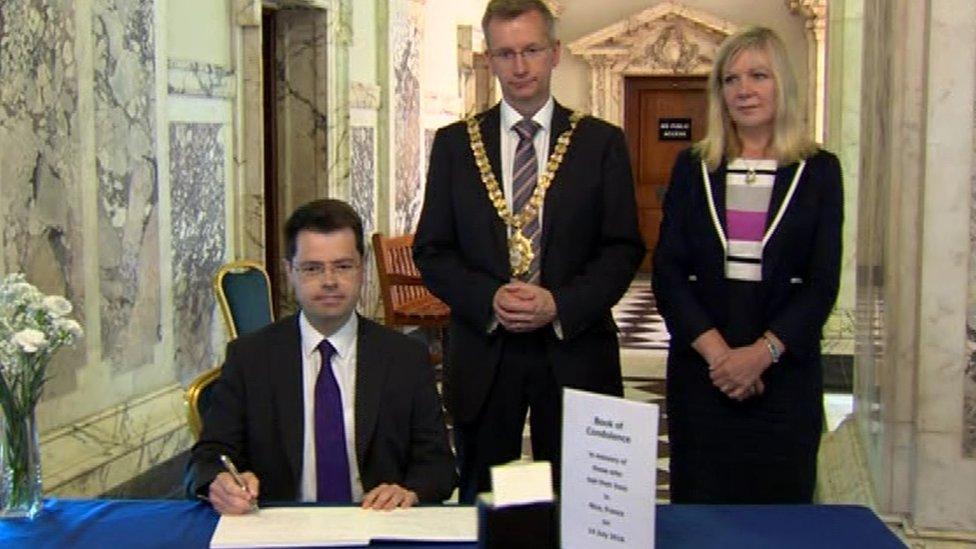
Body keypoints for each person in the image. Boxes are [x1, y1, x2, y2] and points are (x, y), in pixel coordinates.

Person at [413, 0, 644, 502]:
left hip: (575, 347)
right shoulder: (455, 146)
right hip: (484, 351)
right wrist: (488, 297)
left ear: (555, 53)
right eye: (506, 53)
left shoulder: (600, 143)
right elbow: (432, 250)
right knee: (482, 496)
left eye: (532, 50)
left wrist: (560, 304)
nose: (520, 67)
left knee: (582, 500)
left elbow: (622, 248)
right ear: (491, 59)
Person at [652, 26, 843, 503]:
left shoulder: (819, 170)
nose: (744, 90)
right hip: (703, 377)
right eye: (730, 79)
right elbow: (669, 274)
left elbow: (821, 284)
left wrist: (762, 353)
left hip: (783, 380)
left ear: (782, 84)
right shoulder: (692, 167)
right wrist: (722, 357)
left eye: (758, 75)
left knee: (779, 519)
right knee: (701, 515)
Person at [188, 199, 456, 514]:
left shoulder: (404, 357)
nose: (329, 281)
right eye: (313, 268)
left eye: (343, 266)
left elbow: (438, 465)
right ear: (289, 271)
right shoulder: (250, 358)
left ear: (362, 268)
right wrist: (218, 482)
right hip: (280, 531)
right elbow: (208, 457)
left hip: (377, 526)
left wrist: (409, 491)